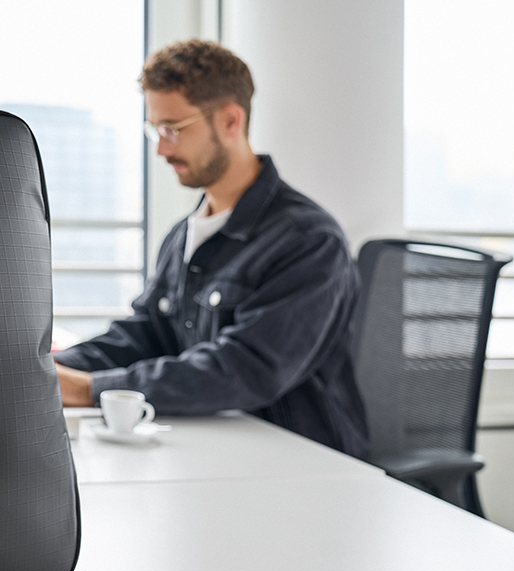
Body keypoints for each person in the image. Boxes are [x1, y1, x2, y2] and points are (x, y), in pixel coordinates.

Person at [53, 39, 368, 460]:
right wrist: (46, 372)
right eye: (155, 129)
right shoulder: (185, 233)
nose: (162, 149)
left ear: (231, 120)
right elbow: (146, 333)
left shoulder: (309, 241)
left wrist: (92, 389)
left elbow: (245, 369)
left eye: (174, 129)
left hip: (303, 462)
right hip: (216, 450)